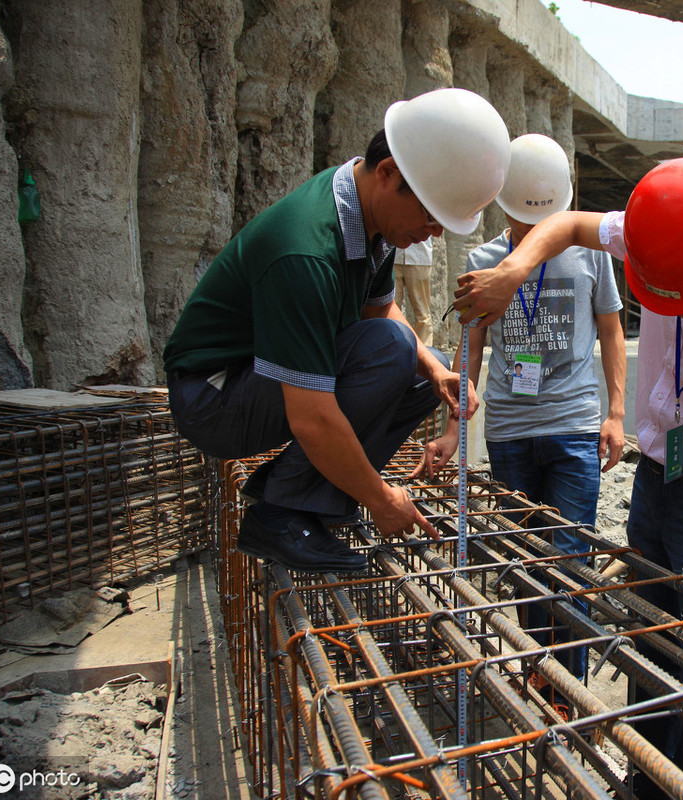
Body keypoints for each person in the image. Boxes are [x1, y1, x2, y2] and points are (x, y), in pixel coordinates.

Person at [453, 156, 683, 795]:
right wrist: (513, 272)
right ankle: (645, 782)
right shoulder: (663, 231)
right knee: (649, 638)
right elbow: (564, 225)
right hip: (655, 477)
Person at [163, 88, 510, 573]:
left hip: (255, 381)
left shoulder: (373, 220)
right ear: (388, 172)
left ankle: (305, 502)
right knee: (391, 350)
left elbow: (380, 310)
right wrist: (382, 499)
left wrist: (435, 372)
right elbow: (312, 416)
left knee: (414, 366)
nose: (434, 233)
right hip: (213, 397)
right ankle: (280, 516)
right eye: (430, 215)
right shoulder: (305, 249)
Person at [411, 133, 627, 696]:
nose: (534, 232)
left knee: (569, 562)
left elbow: (610, 329)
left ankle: (569, 695)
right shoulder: (484, 260)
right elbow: (472, 343)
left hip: (574, 424)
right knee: (525, 566)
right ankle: (539, 676)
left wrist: (616, 413)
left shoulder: (591, 252)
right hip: (509, 429)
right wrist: (457, 424)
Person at [393, 237, 435, 345]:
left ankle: (426, 351)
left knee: (422, 312)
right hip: (393, 257)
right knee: (390, 308)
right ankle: (392, 350)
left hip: (419, 257)